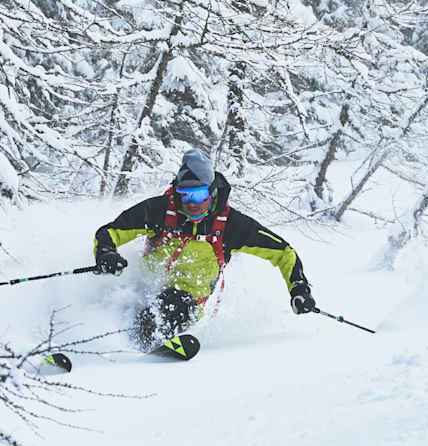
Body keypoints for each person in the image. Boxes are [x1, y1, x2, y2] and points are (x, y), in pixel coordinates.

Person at [93, 148, 316, 348]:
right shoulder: (159, 211)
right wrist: (106, 253)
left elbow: (284, 252)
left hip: (186, 300)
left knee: (168, 308)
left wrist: (299, 289)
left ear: (212, 191)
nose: (191, 202)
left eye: (199, 194)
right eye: (185, 195)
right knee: (114, 302)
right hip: (143, 288)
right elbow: (110, 232)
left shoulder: (232, 226)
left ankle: (140, 358)